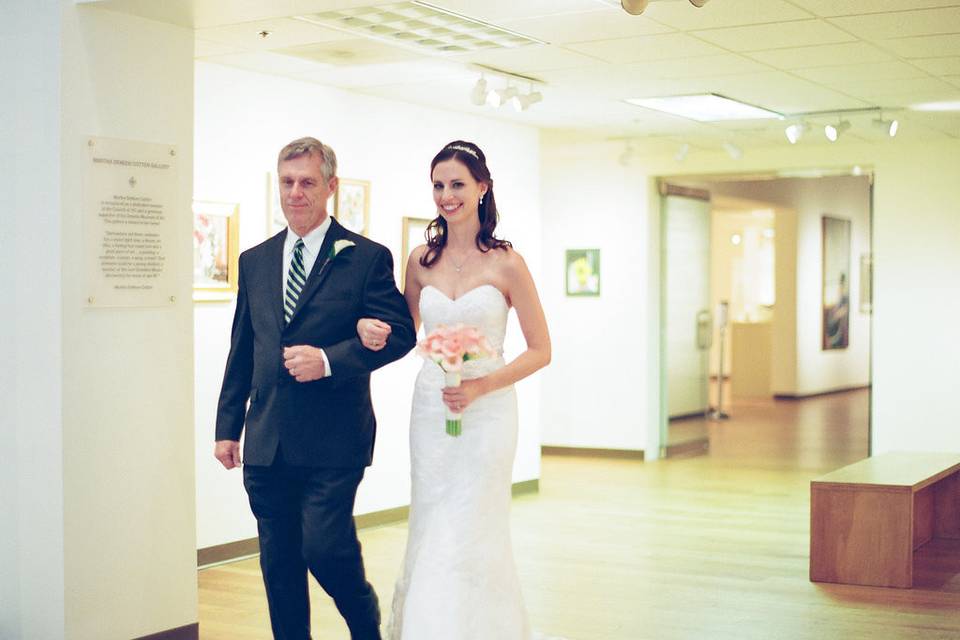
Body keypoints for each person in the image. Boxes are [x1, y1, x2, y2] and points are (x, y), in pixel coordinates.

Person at [214, 136, 416, 640]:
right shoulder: (255, 261)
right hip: (267, 441)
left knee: (324, 547)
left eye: (307, 182)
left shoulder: (366, 257)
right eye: (287, 182)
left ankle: (364, 621)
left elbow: (402, 335)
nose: (296, 193)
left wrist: (329, 360)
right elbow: (243, 348)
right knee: (279, 567)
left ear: (331, 186)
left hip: (334, 440)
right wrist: (226, 427)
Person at [356, 140, 551, 639]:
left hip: (488, 410)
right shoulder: (421, 260)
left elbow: (539, 350)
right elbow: (405, 332)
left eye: (458, 184)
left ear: (482, 188)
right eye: (439, 185)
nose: (447, 195)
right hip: (431, 407)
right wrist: (373, 333)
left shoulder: (508, 264)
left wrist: (482, 385)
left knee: (476, 520)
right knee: (434, 514)